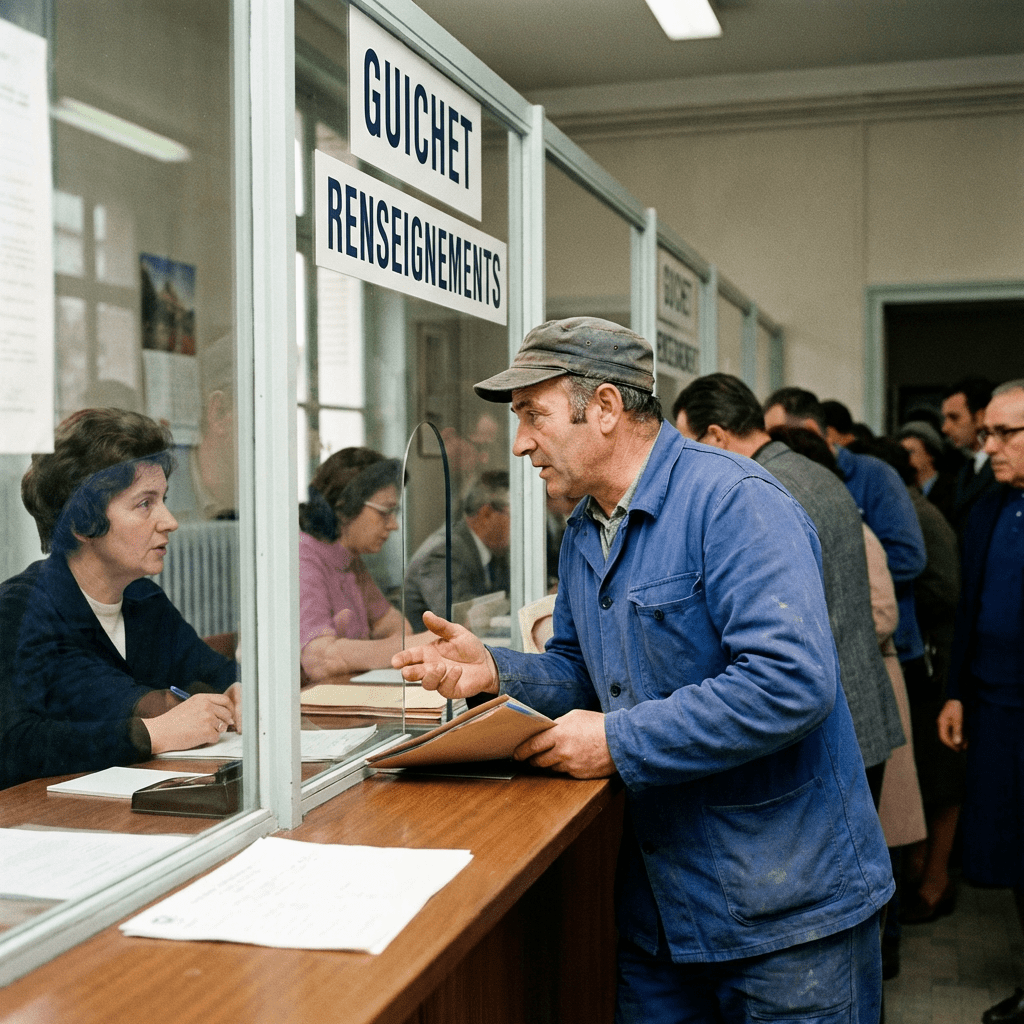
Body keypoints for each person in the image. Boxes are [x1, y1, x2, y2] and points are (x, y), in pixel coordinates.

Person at [396, 317, 893, 1022]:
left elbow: (790, 683)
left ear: (603, 408)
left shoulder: (734, 503)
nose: (519, 443)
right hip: (665, 916)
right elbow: (584, 672)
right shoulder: (584, 529)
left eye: (533, 416)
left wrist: (617, 743)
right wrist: (496, 672)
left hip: (787, 915)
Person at [672, 373, 904, 804]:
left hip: (821, 727)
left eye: (688, 444)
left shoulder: (756, 492)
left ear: (717, 436)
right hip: (860, 704)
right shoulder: (814, 472)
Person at [0, 408, 241, 790]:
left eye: (163, 500)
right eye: (145, 504)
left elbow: (219, 675)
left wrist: (239, 693)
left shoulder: (144, 599)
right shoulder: (18, 610)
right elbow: (15, 746)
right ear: (81, 522)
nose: (170, 521)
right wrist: (153, 733)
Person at [938, 380, 1024, 1024]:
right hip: (994, 706)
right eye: (987, 432)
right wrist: (957, 693)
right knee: (1013, 855)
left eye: (1005, 434)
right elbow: (968, 610)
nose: (988, 445)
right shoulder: (989, 508)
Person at [763, 388, 927, 673]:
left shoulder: (875, 476)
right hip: (826, 646)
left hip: (885, 644)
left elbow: (910, 556)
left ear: (811, 430)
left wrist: (841, 582)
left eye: (779, 438)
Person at [299, 447, 428, 682]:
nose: (394, 525)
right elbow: (320, 660)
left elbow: (393, 625)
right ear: (344, 507)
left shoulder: (349, 557)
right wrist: (420, 645)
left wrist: (398, 646)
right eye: (385, 512)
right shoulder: (303, 557)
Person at [403, 471, 511, 628]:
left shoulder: (495, 552)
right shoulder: (442, 553)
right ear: (486, 514)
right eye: (515, 516)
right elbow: (459, 619)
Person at [941, 376, 998, 534]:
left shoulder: (1003, 469)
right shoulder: (965, 468)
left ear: (980, 417)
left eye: (954, 417)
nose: (945, 428)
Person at [897, 419, 957, 525]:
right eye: (902, 452)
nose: (905, 458)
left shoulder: (952, 488)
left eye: (911, 452)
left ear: (931, 454)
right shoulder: (903, 490)